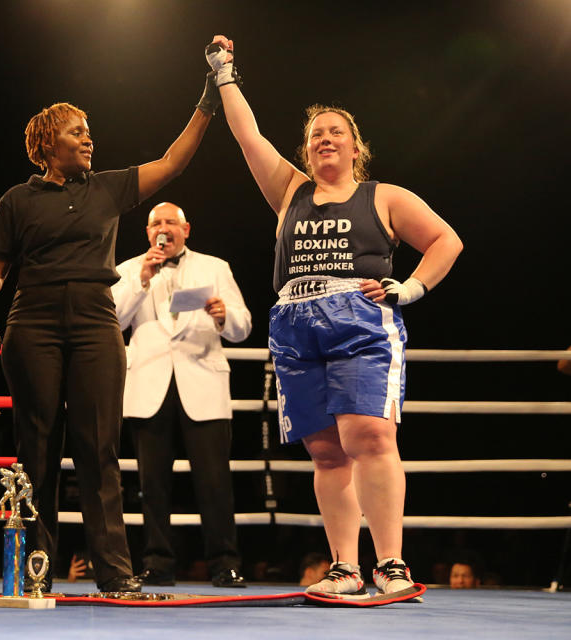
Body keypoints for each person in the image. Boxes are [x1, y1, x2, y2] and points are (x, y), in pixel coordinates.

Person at [205, 36, 463, 599]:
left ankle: (391, 564)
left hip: (360, 319)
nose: (325, 138)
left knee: (369, 435)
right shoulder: (288, 192)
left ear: (354, 147)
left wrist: (411, 288)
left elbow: (447, 240)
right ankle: (345, 566)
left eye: (335, 131)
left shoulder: (384, 196)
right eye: (316, 133)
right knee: (324, 450)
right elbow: (248, 134)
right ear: (306, 149)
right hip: (294, 323)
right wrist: (224, 74)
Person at [0, 77, 221, 593]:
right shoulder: (17, 200)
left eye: (89, 132)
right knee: (35, 449)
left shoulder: (107, 187)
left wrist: (208, 102)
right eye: (77, 132)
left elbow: (172, 162)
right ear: (48, 144)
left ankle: (115, 575)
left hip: (95, 322)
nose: (88, 140)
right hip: (32, 322)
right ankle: (33, 574)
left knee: (99, 449)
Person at [111, 202, 251, 588]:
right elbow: (114, 322)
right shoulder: (127, 269)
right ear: (148, 231)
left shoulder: (214, 267)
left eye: (171, 222)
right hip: (148, 386)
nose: (164, 228)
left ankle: (225, 563)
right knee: (151, 483)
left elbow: (243, 326)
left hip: (203, 380)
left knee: (215, 482)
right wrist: (141, 279)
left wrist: (224, 315)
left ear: (185, 229)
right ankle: (157, 563)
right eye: (156, 222)